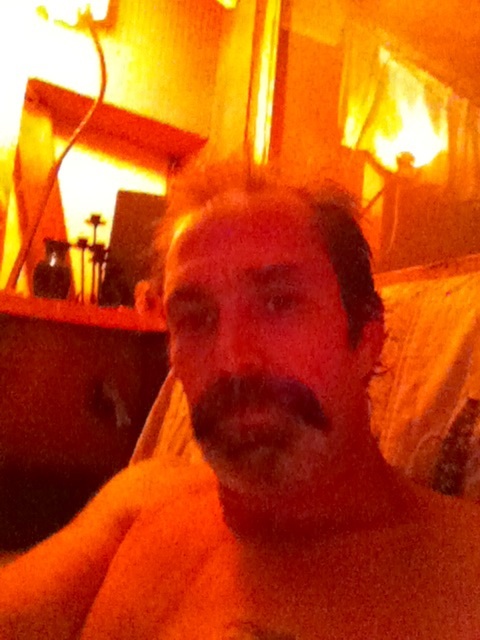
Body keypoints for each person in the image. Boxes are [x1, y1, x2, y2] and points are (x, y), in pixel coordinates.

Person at [1, 161, 480, 639]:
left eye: (278, 302)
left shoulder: (461, 578)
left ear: (367, 339)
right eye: (196, 318)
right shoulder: (141, 502)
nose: (231, 361)